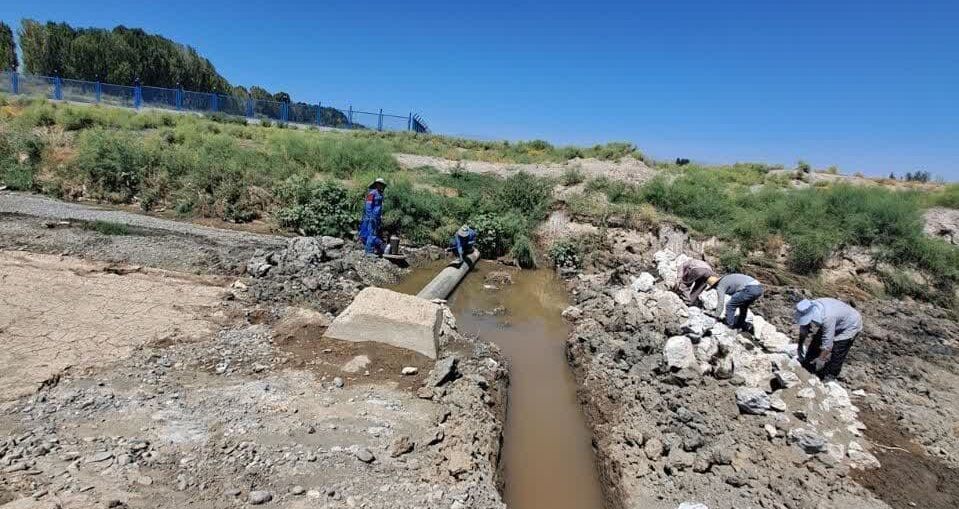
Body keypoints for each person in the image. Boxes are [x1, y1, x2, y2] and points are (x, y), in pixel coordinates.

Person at [795, 298, 862, 382]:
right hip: (837, 317)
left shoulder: (827, 317)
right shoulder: (808, 307)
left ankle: (831, 375)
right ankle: (808, 364)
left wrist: (821, 359)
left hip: (851, 324)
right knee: (817, 341)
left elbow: (828, 344)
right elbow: (804, 329)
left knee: (838, 350)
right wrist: (800, 345)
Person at [358, 178, 386, 254]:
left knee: (373, 233)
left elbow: (380, 207)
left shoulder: (380, 194)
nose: (380, 186)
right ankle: (369, 252)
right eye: (379, 184)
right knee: (372, 233)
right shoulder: (372, 193)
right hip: (371, 217)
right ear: (376, 184)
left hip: (376, 217)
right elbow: (368, 205)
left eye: (382, 185)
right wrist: (370, 216)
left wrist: (380, 216)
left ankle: (374, 248)